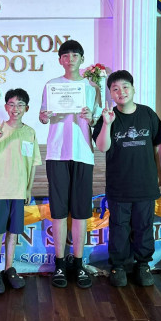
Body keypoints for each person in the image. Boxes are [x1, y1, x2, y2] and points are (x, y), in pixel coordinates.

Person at [93, 70, 161, 287]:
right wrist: (107, 123)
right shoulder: (107, 117)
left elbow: (157, 146)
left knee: (144, 226)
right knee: (119, 227)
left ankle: (143, 265)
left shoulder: (148, 114)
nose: (121, 92)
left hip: (145, 183)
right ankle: (118, 266)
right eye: (115, 89)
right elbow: (102, 147)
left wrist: (160, 173)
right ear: (111, 94)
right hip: (119, 185)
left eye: (125, 87)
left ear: (133, 89)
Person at [39, 39, 99, 288]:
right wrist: (44, 116)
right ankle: (60, 263)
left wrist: (91, 117)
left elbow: (97, 120)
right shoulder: (51, 85)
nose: (70, 59)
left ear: (82, 59)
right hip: (57, 153)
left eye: (75, 55)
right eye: (66, 55)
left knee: (81, 211)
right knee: (59, 211)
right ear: (60, 60)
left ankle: (79, 262)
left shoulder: (91, 87)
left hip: (83, 153)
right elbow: (44, 116)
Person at [0, 88, 42, 294]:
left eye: (20, 104)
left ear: (27, 108)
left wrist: (28, 189)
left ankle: (9, 268)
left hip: (18, 191)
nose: (15, 108)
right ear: (6, 107)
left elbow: (32, 163)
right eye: (12, 104)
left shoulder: (30, 132)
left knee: (13, 233)